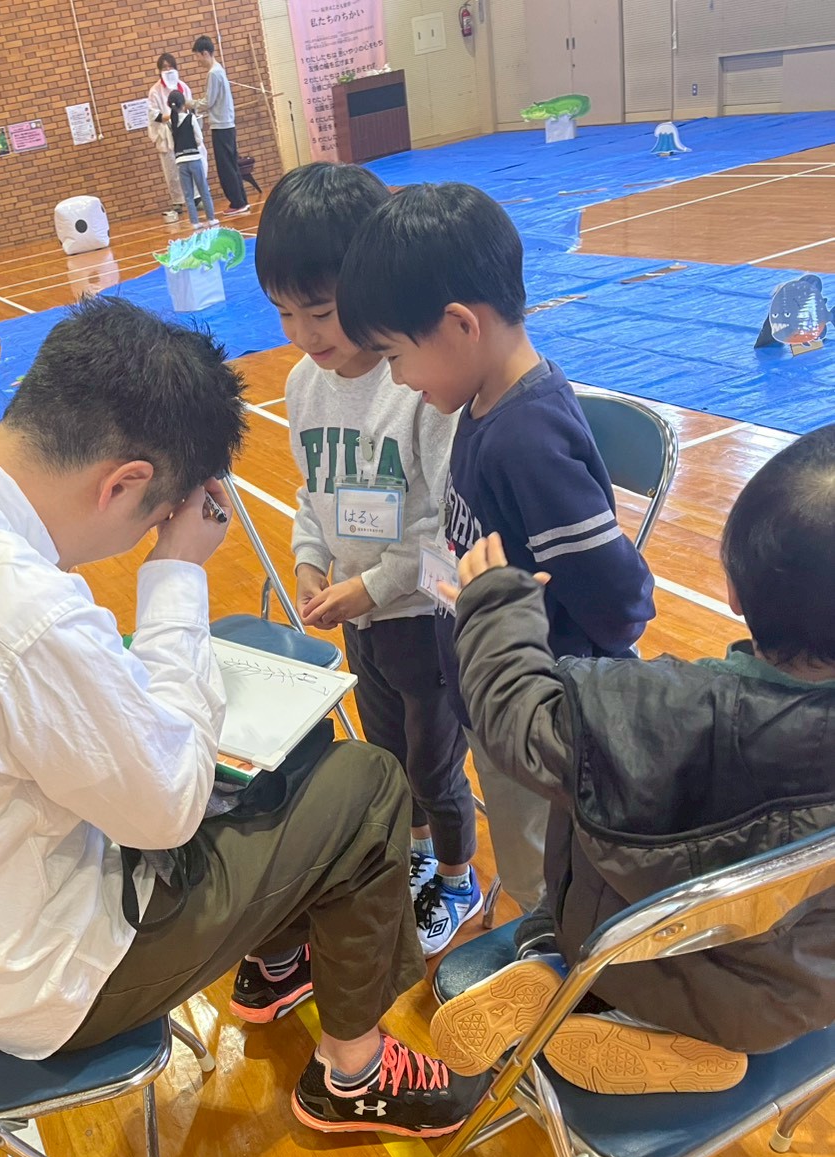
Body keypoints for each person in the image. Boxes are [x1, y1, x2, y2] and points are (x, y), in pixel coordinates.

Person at [0, 296, 485, 1140]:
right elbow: (168, 809)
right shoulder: (21, 613)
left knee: (295, 747)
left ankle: (277, 963)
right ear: (125, 483)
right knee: (368, 784)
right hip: (35, 978)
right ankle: (351, 1073)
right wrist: (177, 568)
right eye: (153, 517)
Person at [428, 427, 835, 1094]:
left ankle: (566, 980)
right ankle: (672, 1031)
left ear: (734, 588)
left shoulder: (656, 708)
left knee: (567, 896)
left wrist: (496, 607)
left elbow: (518, 720)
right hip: (795, 995)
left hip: (625, 961)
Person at [336, 183, 656, 936]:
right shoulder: (480, 407)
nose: (397, 379)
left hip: (545, 716)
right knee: (530, 866)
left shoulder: (527, 439)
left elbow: (618, 601)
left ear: (459, 325)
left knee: (547, 878)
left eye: (396, 355)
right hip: (498, 701)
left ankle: (563, 969)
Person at [248, 161, 481, 970]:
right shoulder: (303, 385)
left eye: (320, 311)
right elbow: (313, 492)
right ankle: (415, 854)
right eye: (284, 313)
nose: (304, 334)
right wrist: (310, 563)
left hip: (422, 617)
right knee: (387, 756)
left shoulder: (418, 383)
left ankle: (458, 876)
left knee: (434, 763)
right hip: (362, 619)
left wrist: (372, 586)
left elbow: (447, 528)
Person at [191, 34, 250, 217]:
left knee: (225, 167)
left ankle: (237, 202)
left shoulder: (213, 73)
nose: (197, 60)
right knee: (231, 164)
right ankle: (241, 200)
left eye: (197, 56)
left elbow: (208, 101)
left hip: (221, 126)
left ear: (205, 53)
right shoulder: (219, 70)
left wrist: (191, 104)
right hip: (226, 125)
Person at [147, 52, 204, 225]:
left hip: (185, 131)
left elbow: (191, 107)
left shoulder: (183, 87)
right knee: (172, 168)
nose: (168, 70)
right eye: (164, 67)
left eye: (170, 66)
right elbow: (154, 115)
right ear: (159, 70)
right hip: (167, 132)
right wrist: (172, 117)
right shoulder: (155, 91)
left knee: (193, 164)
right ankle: (177, 201)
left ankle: (197, 197)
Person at [164, 90, 218, 230]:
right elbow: (199, 139)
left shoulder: (169, 124)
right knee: (203, 190)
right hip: (194, 158)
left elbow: (171, 146)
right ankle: (211, 219)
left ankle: (194, 222)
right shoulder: (191, 118)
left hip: (180, 162)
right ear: (183, 105)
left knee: (188, 195)